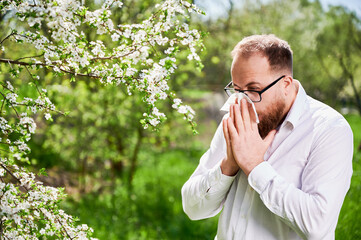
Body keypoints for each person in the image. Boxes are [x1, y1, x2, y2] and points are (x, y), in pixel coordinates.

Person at [181, 34, 353, 240]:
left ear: (286, 84)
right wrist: (228, 165)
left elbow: (317, 226)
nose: (243, 101)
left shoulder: (329, 129)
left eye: (253, 90)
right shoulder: (237, 116)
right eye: (237, 90)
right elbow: (192, 208)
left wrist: (254, 166)